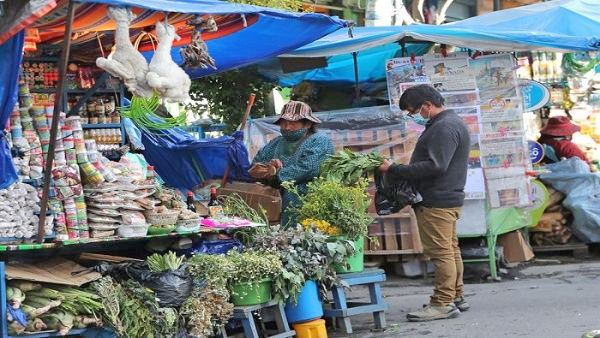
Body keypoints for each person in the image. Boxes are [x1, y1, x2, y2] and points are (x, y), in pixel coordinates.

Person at [378, 84, 470, 322]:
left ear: (427, 105)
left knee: (441, 253)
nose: (414, 116)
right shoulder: (449, 123)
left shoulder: (444, 127)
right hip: (446, 197)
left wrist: (394, 169)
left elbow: (436, 166)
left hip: (436, 200)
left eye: (414, 111)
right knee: (450, 249)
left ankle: (442, 303)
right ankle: (455, 296)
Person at [250, 101, 334, 227]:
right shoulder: (276, 143)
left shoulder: (320, 141)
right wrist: (267, 168)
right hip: (276, 200)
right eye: (284, 123)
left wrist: (278, 172)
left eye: (293, 123)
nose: (287, 127)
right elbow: (257, 162)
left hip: (308, 197)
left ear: (308, 124)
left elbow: (308, 168)